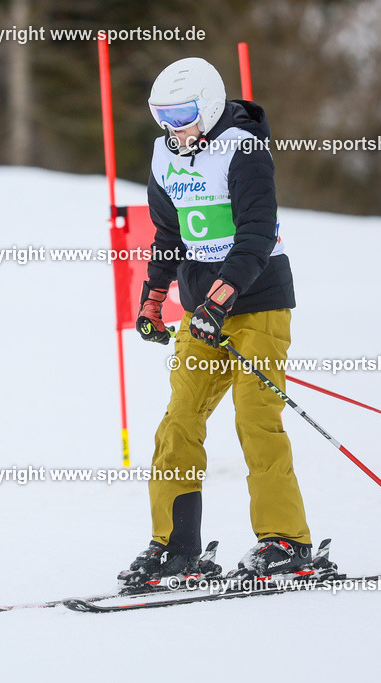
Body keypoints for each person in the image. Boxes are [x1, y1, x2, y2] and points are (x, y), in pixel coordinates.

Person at [119, 57, 317, 588]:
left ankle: (286, 541)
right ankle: (174, 547)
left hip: (258, 301)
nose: (172, 127)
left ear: (207, 107)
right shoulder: (165, 155)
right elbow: (168, 236)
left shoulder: (243, 149)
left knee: (256, 419)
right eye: (162, 116)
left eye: (182, 114)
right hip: (202, 311)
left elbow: (256, 235)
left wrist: (220, 299)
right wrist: (153, 300)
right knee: (178, 422)